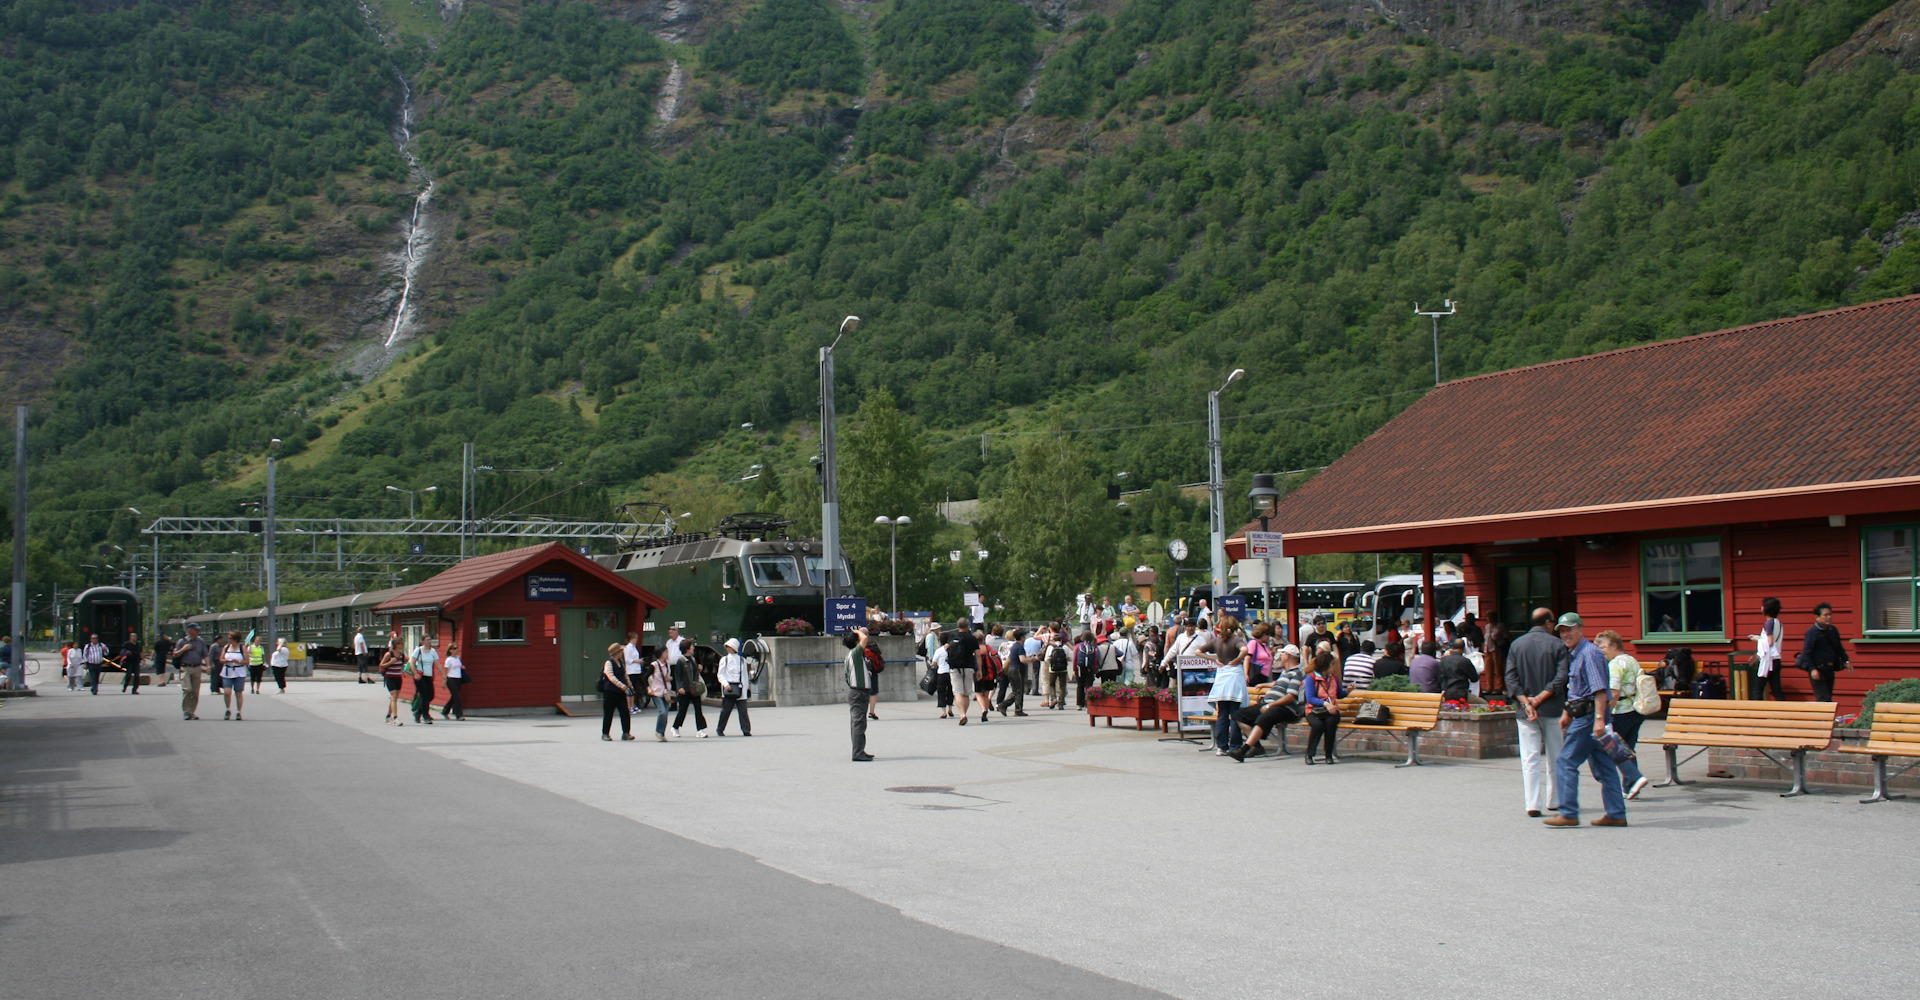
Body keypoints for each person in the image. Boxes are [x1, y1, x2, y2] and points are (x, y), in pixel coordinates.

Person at [1543, 613, 1627, 827]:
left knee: (1566, 761)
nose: (1565, 634)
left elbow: (1599, 690)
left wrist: (1599, 720)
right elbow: (1578, 689)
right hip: (1583, 714)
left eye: (1569, 629)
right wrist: (1567, 712)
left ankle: (1568, 812)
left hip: (1589, 717)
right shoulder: (1576, 653)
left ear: (1581, 629)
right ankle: (1616, 813)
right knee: (1604, 765)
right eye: (1562, 631)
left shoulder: (1589, 653)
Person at [1505, 608, 1570, 817]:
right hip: (1552, 707)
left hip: (1526, 711)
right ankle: (1555, 799)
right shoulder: (1558, 645)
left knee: (1530, 757)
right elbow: (1561, 678)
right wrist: (1540, 698)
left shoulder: (1517, 644)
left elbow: (1511, 679)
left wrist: (1527, 702)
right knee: (1556, 755)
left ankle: (1532, 803)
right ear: (1549, 623)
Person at [1597, 629, 1650, 800]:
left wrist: (1605, 714)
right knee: (1628, 748)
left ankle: (1633, 780)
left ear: (1614, 645)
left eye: (1603, 647)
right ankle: (1631, 785)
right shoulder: (1631, 660)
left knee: (1616, 749)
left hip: (1621, 712)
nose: (1601, 651)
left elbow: (1614, 691)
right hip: (1636, 711)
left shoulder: (1616, 664)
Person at [1228, 644, 1304, 762]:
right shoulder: (1285, 673)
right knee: (1239, 715)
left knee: (1266, 715)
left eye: (1283, 654)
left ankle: (1243, 750)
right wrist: (1264, 685)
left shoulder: (1297, 674)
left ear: (1287, 656)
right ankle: (1257, 747)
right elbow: (1277, 684)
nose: (1281, 656)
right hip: (1269, 704)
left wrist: (1270, 705)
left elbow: (1291, 696)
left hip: (1285, 708)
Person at [1205, 620, 1251, 756]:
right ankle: (1235, 745)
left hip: (1221, 679)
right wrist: (1238, 659)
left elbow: (1198, 651)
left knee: (1222, 714)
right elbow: (1245, 650)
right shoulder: (1236, 640)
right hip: (1234, 678)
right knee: (1235, 714)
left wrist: (1213, 660)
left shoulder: (1217, 641)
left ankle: (1221, 746)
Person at [1801, 601, 1849, 702]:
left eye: (1830, 614)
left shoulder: (1833, 630)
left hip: (1830, 668)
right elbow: (1806, 653)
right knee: (1823, 699)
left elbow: (1839, 648)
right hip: (1818, 668)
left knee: (1828, 696)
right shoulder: (1812, 632)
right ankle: (1823, 718)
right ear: (1817, 617)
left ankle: (1826, 717)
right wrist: (1812, 669)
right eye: (1825, 615)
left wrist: (1846, 661)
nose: (1829, 617)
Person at [1302, 651, 1343, 765]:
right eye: (1332, 664)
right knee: (1318, 725)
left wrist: (1348, 691)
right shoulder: (1311, 678)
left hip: (1331, 710)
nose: (1334, 667)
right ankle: (1309, 754)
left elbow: (1339, 694)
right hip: (1314, 710)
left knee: (1331, 723)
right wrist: (1325, 704)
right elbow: (1310, 698)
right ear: (1326, 665)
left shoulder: (1333, 677)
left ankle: (1328, 754)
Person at [846, 627, 877, 761]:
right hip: (859, 692)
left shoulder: (851, 656)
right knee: (859, 723)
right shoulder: (856, 652)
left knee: (859, 722)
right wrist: (857, 632)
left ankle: (860, 750)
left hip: (856, 691)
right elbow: (864, 638)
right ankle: (858, 753)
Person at [671, 638, 708, 737]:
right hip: (685, 689)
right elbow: (677, 676)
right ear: (687, 648)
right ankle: (675, 727)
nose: (693, 647)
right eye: (691, 646)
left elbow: (694, 673)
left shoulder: (693, 659)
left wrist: (699, 668)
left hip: (694, 688)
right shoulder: (680, 661)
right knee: (683, 709)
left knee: (698, 709)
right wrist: (680, 687)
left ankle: (700, 729)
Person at [715, 638, 753, 736]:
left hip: (740, 687)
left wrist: (746, 687)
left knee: (743, 711)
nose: (727, 648)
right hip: (729, 687)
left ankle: (746, 730)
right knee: (726, 711)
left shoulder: (742, 660)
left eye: (729, 647)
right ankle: (720, 729)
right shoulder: (724, 659)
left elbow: (745, 675)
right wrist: (725, 684)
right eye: (727, 647)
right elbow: (720, 674)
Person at [1751, 597, 1785, 701]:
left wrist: (1757, 639)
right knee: (1776, 689)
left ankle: (1757, 712)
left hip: (1768, 660)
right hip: (1776, 658)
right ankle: (1785, 710)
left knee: (1758, 689)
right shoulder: (1778, 623)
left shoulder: (1768, 623)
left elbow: (1769, 642)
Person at [173, 624, 209, 719]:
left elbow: (205, 654)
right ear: (190, 631)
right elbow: (175, 654)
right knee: (188, 689)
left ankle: (191, 712)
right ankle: (186, 710)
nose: (198, 632)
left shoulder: (200, 641)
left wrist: (208, 666)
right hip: (186, 668)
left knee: (195, 692)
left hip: (197, 668)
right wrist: (183, 649)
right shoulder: (182, 641)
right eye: (196, 630)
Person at [946, 621, 978, 725]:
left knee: (957, 692)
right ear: (968, 627)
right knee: (966, 694)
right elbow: (977, 654)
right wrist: (980, 669)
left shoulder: (952, 636)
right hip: (968, 667)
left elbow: (946, 647)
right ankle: (964, 713)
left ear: (957, 626)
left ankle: (962, 714)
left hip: (955, 667)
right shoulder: (972, 638)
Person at [600, 643, 633, 741]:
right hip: (610, 691)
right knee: (608, 713)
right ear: (617, 652)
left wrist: (628, 682)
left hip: (620, 691)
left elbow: (624, 674)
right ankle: (605, 733)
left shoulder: (620, 662)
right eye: (621, 651)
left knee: (625, 712)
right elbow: (610, 676)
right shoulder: (609, 663)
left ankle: (626, 733)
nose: (622, 653)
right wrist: (621, 685)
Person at [216, 630, 249, 720]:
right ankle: (228, 709)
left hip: (239, 672)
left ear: (235, 639)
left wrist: (238, 661)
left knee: (238, 693)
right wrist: (226, 661)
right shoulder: (226, 647)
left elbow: (247, 661)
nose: (228, 639)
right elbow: (221, 659)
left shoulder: (242, 648)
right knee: (227, 692)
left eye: (230, 638)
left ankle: (238, 712)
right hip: (227, 671)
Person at [1437, 639, 1477, 706]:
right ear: (1464, 649)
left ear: (1452, 648)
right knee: (1485, 704)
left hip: (1447, 693)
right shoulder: (1465, 661)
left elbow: (1439, 677)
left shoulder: (1443, 660)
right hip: (1462, 693)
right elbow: (1474, 678)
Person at [409, 635, 439, 725]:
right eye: (427, 640)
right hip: (420, 676)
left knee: (431, 696)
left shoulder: (433, 651)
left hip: (428, 676)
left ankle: (418, 712)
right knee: (425, 696)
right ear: (422, 641)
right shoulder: (418, 650)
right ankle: (425, 716)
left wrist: (443, 673)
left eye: (430, 639)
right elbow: (412, 662)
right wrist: (415, 673)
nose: (429, 641)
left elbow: (437, 663)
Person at [646, 649, 673, 741]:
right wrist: (648, 687)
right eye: (666, 652)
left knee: (666, 713)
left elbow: (668, 676)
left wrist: (669, 678)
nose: (667, 654)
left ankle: (661, 733)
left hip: (666, 692)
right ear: (661, 654)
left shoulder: (667, 664)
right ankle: (658, 732)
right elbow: (645, 676)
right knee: (662, 712)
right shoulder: (654, 665)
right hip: (656, 691)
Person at [380, 636, 406, 725]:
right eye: (399, 643)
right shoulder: (389, 654)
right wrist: (391, 662)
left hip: (398, 677)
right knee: (394, 697)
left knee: (394, 698)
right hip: (390, 677)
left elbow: (404, 662)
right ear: (395, 645)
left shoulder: (402, 655)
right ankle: (395, 718)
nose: (401, 645)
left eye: (402, 643)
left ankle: (388, 716)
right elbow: (381, 665)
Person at [622, 631, 645, 717]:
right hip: (631, 670)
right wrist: (637, 661)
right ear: (631, 639)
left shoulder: (634, 647)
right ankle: (629, 706)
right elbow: (628, 659)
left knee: (634, 688)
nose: (636, 640)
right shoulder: (627, 648)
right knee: (630, 688)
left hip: (636, 670)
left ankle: (633, 704)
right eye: (635, 638)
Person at [441, 643, 466, 720]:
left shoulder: (458, 658)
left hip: (458, 678)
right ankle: (459, 715)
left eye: (457, 648)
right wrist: (444, 681)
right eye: (454, 648)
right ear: (450, 650)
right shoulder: (449, 659)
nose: (456, 650)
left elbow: (460, 666)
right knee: (457, 696)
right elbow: (445, 670)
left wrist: (462, 667)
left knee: (454, 697)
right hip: (451, 679)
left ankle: (445, 711)